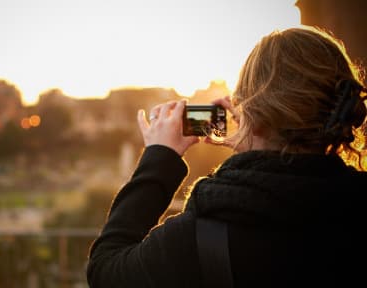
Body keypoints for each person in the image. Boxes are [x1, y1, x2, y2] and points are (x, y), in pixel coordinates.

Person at [86, 26, 367, 287]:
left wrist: (160, 157)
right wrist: (255, 141)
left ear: (252, 116)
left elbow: (105, 270)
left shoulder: (199, 236)